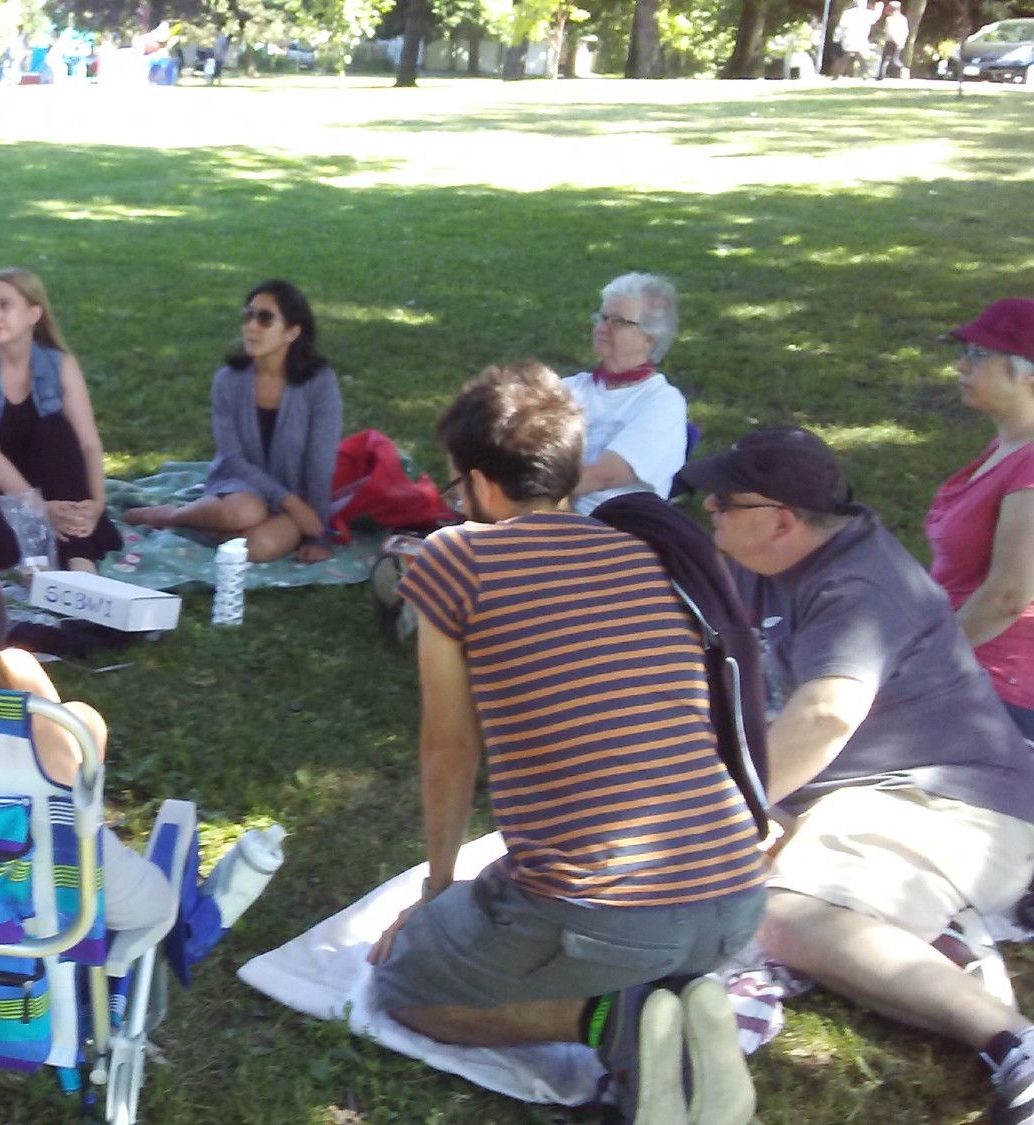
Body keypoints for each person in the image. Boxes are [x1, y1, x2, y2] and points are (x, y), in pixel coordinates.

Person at [367, 363, 767, 1124]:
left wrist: (435, 890)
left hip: (603, 911)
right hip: (736, 894)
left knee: (405, 985)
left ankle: (622, 1027)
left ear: (481, 487)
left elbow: (449, 748)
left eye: (454, 488)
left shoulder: (456, 556)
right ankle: (677, 1008)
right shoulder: (644, 553)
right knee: (568, 925)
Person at [678, 427, 1034, 1125]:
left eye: (723, 499)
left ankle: (1015, 1044)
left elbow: (827, 714)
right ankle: (915, 937)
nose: (708, 507)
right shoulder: (762, 558)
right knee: (753, 886)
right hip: (858, 792)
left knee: (786, 912)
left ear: (781, 518)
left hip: (955, 797)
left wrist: (722, 809)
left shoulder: (858, 584)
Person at [0, 540, 281, 940]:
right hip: (3, 926)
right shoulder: (11, 733)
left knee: (77, 729)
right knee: (156, 904)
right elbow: (142, 904)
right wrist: (21, 672)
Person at [123, 280, 343, 564]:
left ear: (292, 332)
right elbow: (233, 458)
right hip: (242, 485)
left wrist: (317, 533)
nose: (251, 326)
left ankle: (219, 530)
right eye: (248, 315)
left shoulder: (319, 383)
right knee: (245, 512)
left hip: (297, 496)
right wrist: (291, 504)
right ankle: (172, 516)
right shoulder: (228, 381)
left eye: (265, 319)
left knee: (258, 548)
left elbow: (320, 463)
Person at [0, 268, 121, 572]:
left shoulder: (59, 364)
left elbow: (89, 443)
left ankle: (80, 566)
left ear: (34, 313)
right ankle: (65, 558)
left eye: (5, 305)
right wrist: (37, 510)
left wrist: (97, 504)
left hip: (54, 492)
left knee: (56, 429)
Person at [927, 299, 1034, 740]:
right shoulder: (1008, 448)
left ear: (1028, 376)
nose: (959, 366)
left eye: (977, 356)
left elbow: (1009, 597)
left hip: (999, 692)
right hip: (966, 664)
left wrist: (920, 661)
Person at [562, 272, 688, 515]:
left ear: (649, 338)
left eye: (617, 321)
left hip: (612, 531)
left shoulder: (662, 403)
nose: (600, 328)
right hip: (544, 517)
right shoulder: (571, 388)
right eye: (602, 317)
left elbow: (604, 476)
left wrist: (519, 491)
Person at [833, 0, 880, 78]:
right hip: (859, 38)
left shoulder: (847, 13)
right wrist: (879, 8)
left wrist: (836, 38)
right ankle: (864, 73)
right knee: (858, 55)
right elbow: (875, 18)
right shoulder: (866, 13)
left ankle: (838, 74)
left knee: (848, 55)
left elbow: (841, 26)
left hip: (849, 37)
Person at [877, 1, 909, 78]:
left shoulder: (890, 19)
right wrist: (902, 41)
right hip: (899, 41)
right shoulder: (903, 19)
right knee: (890, 59)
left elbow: (890, 31)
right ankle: (881, 75)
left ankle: (904, 70)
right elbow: (906, 31)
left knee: (890, 59)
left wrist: (896, 41)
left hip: (892, 41)